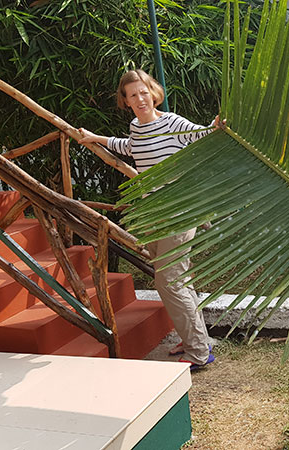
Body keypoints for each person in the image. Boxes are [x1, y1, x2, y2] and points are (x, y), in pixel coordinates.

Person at [77, 69, 216, 368]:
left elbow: (201, 133)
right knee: (180, 279)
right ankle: (197, 340)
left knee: (168, 281)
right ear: (125, 101)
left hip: (178, 213)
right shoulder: (135, 129)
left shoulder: (171, 122)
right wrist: (96, 139)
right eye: (132, 95)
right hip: (152, 214)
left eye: (143, 92)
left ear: (154, 93)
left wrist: (216, 126)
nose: (140, 99)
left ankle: (198, 353)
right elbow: (128, 147)